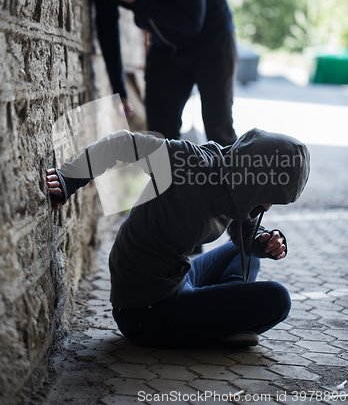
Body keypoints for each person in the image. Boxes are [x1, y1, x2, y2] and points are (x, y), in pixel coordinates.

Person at [46, 128, 310, 348]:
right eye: (268, 197)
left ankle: (217, 316)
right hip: (145, 310)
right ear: (254, 180)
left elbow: (244, 235)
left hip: (178, 280)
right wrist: (69, 179)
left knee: (244, 257)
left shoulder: (237, 183)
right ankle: (217, 326)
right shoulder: (189, 162)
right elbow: (121, 144)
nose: (266, 208)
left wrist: (264, 242)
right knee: (277, 299)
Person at [89, 0, 238, 146]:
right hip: (165, 48)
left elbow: (192, 23)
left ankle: (231, 180)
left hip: (212, 39)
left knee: (218, 127)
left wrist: (141, 2)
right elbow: (107, 27)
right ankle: (171, 181)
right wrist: (118, 89)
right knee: (158, 134)